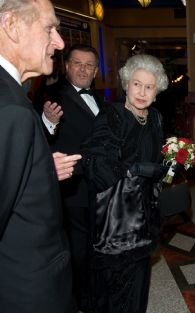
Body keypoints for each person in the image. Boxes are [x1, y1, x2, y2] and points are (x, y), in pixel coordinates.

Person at [0, 0, 81, 312]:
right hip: (27, 290)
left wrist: (41, 169)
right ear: (12, 25)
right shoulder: (9, 109)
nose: (59, 43)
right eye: (50, 28)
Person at [80, 54, 169, 313]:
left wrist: (169, 167)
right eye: (137, 84)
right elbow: (94, 162)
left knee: (139, 279)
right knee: (115, 285)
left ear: (157, 90)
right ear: (126, 84)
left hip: (144, 211)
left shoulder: (155, 118)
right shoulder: (113, 115)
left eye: (149, 86)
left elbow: (157, 157)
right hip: (116, 216)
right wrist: (134, 169)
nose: (142, 92)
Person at [37, 44, 103, 312]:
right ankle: (80, 301)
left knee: (98, 244)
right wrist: (48, 120)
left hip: (101, 185)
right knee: (78, 249)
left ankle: (97, 292)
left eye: (89, 65)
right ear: (67, 66)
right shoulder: (53, 96)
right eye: (78, 63)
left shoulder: (103, 99)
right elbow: (37, 137)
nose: (83, 69)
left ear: (96, 71)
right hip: (74, 185)